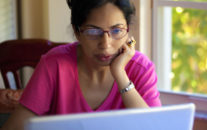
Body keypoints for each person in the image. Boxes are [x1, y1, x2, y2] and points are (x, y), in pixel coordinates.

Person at [1, 0, 161, 129]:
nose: (106, 44)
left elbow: (154, 126)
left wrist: (120, 74)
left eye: (117, 30)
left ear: (128, 30)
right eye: (93, 31)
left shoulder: (141, 68)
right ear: (77, 32)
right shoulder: (54, 64)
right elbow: (15, 126)